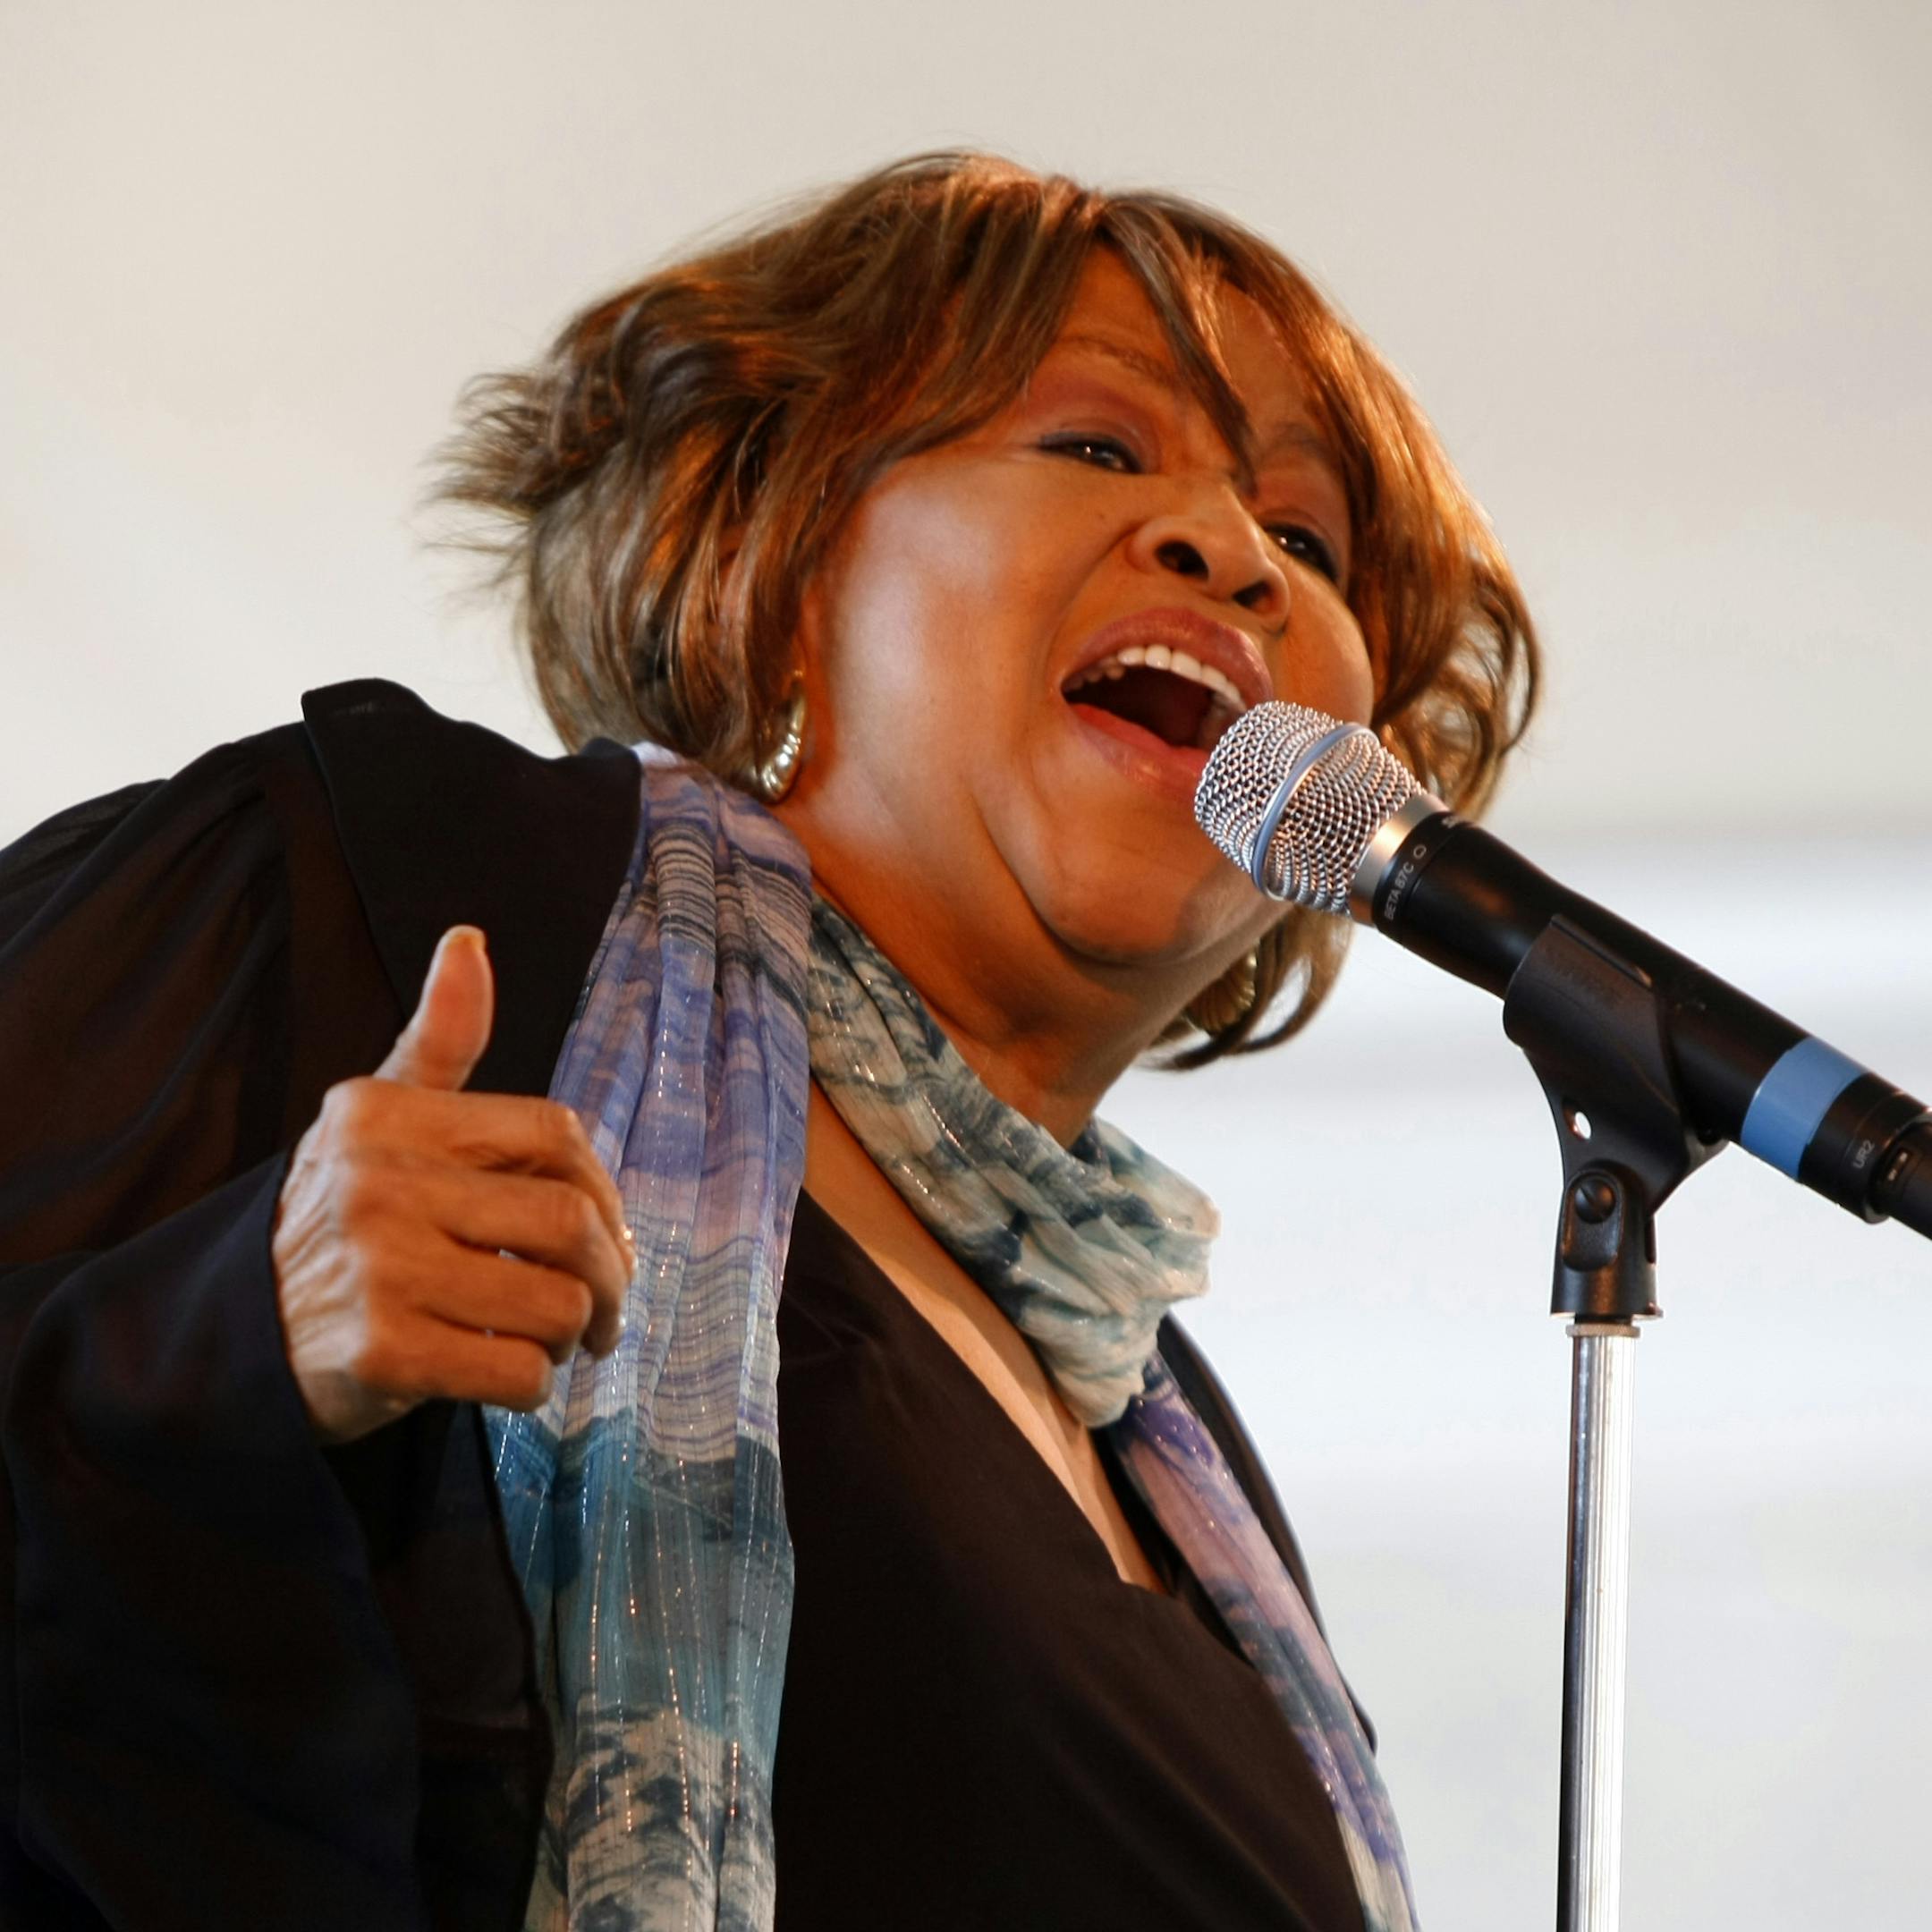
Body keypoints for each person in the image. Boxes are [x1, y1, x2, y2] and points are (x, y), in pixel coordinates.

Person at [0, 153, 1536, 1930]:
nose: (1231, 552)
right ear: (779, 557)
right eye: (1097, 445)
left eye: (1311, 543)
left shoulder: (1180, 1462)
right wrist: (220, 1333)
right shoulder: (402, 897)